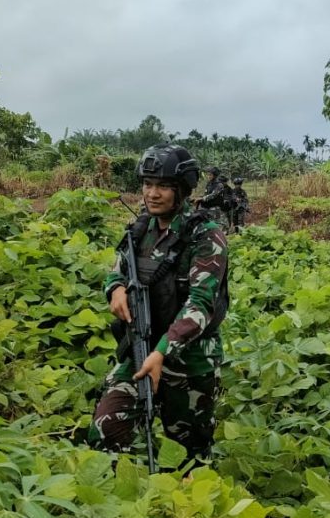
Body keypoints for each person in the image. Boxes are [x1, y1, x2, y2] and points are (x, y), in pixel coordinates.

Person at [88, 144, 229, 466]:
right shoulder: (141, 229)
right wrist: (116, 289)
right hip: (140, 349)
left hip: (189, 362)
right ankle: (125, 490)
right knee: (107, 427)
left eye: (163, 186)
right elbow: (118, 270)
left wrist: (163, 351)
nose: (152, 194)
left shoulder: (206, 237)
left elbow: (201, 305)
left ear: (182, 190)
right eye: (148, 184)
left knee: (189, 458)